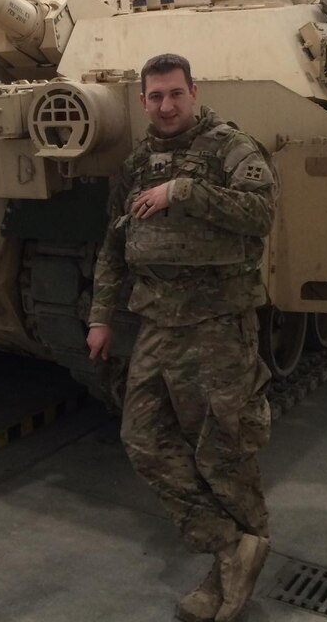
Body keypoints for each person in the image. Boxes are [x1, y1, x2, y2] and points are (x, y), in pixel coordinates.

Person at [86, 53, 278, 622]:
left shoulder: (230, 149)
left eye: (175, 94)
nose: (166, 106)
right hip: (156, 324)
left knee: (225, 449)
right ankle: (230, 546)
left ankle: (228, 576)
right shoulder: (137, 162)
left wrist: (184, 192)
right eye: (155, 96)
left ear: (194, 91)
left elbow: (261, 213)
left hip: (217, 324)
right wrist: (100, 316)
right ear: (143, 100)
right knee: (143, 439)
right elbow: (113, 248)